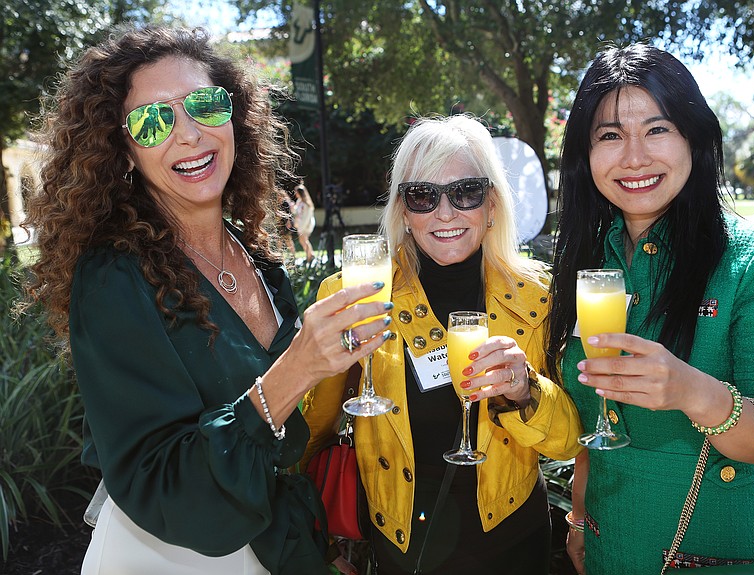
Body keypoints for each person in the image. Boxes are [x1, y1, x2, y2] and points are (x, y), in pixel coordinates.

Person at [19, 25, 391, 575]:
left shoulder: (257, 259)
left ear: (233, 117)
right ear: (123, 152)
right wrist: (299, 367)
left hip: (270, 543)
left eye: (204, 105)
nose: (189, 134)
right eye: (153, 121)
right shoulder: (113, 279)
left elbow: (279, 443)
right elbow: (164, 478)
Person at [546, 44, 754, 574]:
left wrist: (692, 391)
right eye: (610, 136)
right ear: (585, 154)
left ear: (694, 137)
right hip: (606, 546)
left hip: (716, 552)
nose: (635, 157)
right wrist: (578, 518)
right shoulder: (588, 263)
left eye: (658, 129)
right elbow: (591, 423)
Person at [301, 114, 583, 574]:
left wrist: (526, 391)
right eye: (422, 196)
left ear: (492, 204)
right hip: (404, 550)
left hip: (513, 544)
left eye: (465, 192)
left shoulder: (539, 297)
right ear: (403, 211)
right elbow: (313, 429)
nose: (445, 213)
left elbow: (571, 440)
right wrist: (314, 539)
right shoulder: (355, 296)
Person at [292, 181, 316, 262]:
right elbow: (296, 212)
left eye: (296, 192)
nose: (295, 194)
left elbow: (306, 217)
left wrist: (302, 227)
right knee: (302, 240)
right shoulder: (299, 202)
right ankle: (310, 254)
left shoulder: (307, 204)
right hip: (301, 224)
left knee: (304, 240)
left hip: (306, 224)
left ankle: (310, 256)